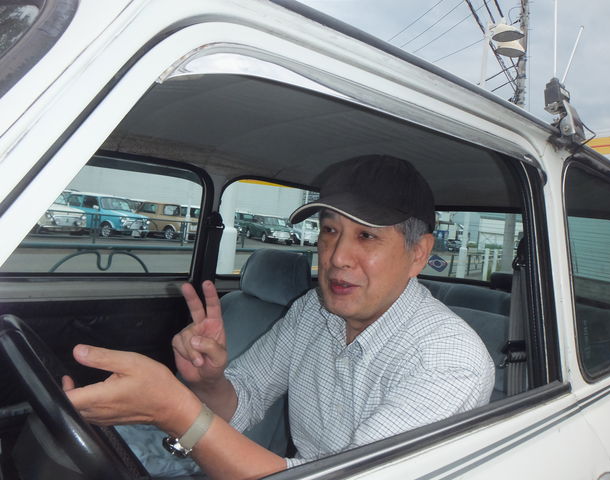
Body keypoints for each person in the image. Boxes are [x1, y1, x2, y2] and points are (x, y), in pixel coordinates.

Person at [64, 155, 495, 480]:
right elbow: (246, 399)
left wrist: (173, 409)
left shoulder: (448, 361)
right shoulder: (313, 311)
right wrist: (208, 381)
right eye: (330, 230)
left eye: (366, 236)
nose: (337, 257)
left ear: (419, 253)